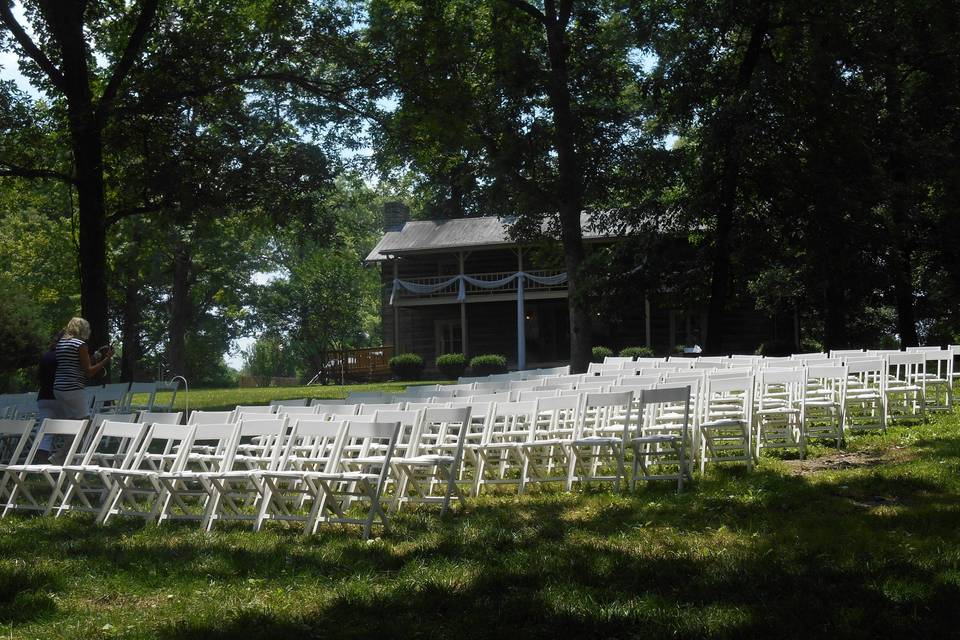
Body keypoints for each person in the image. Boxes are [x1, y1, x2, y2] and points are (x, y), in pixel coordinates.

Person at [54, 317, 114, 419]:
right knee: (84, 421)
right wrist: (107, 359)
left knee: (68, 422)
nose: (89, 331)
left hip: (58, 388)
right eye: (88, 328)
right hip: (73, 388)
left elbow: (73, 363)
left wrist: (93, 358)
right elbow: (89, 372)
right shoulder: (80, 344)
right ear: (82, 329)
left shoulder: (61, 343)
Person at [34, 332, 64, 462]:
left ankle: (41, 459)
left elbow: (39, 377)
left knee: (45, 430)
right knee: (74, 425)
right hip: (58, 396)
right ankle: (67, 456)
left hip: (43, 397)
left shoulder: (45, 356)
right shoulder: (62, 357)